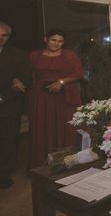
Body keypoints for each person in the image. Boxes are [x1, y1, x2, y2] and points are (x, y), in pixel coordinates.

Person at [27, 29, 83, 168]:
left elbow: (79, 73)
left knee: (66, 128)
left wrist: (62, 82)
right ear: (45, 39)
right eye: (53, 40)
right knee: (43, 128)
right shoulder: (34, 56)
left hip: (65, 98)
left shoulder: (70, 55)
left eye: (60, 41)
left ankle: (65, 163)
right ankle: (42, 165)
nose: (56, 44)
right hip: (42, 99)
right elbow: (29, 76)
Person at [0, 22, 31, 188]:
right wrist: (11, 82)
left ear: (8, 37)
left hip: (9, 107)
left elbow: (25, 80)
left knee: (8, 142)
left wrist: (2, 97)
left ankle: (3, 175)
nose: (0, 38)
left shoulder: (19, 55)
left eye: (4, 35)